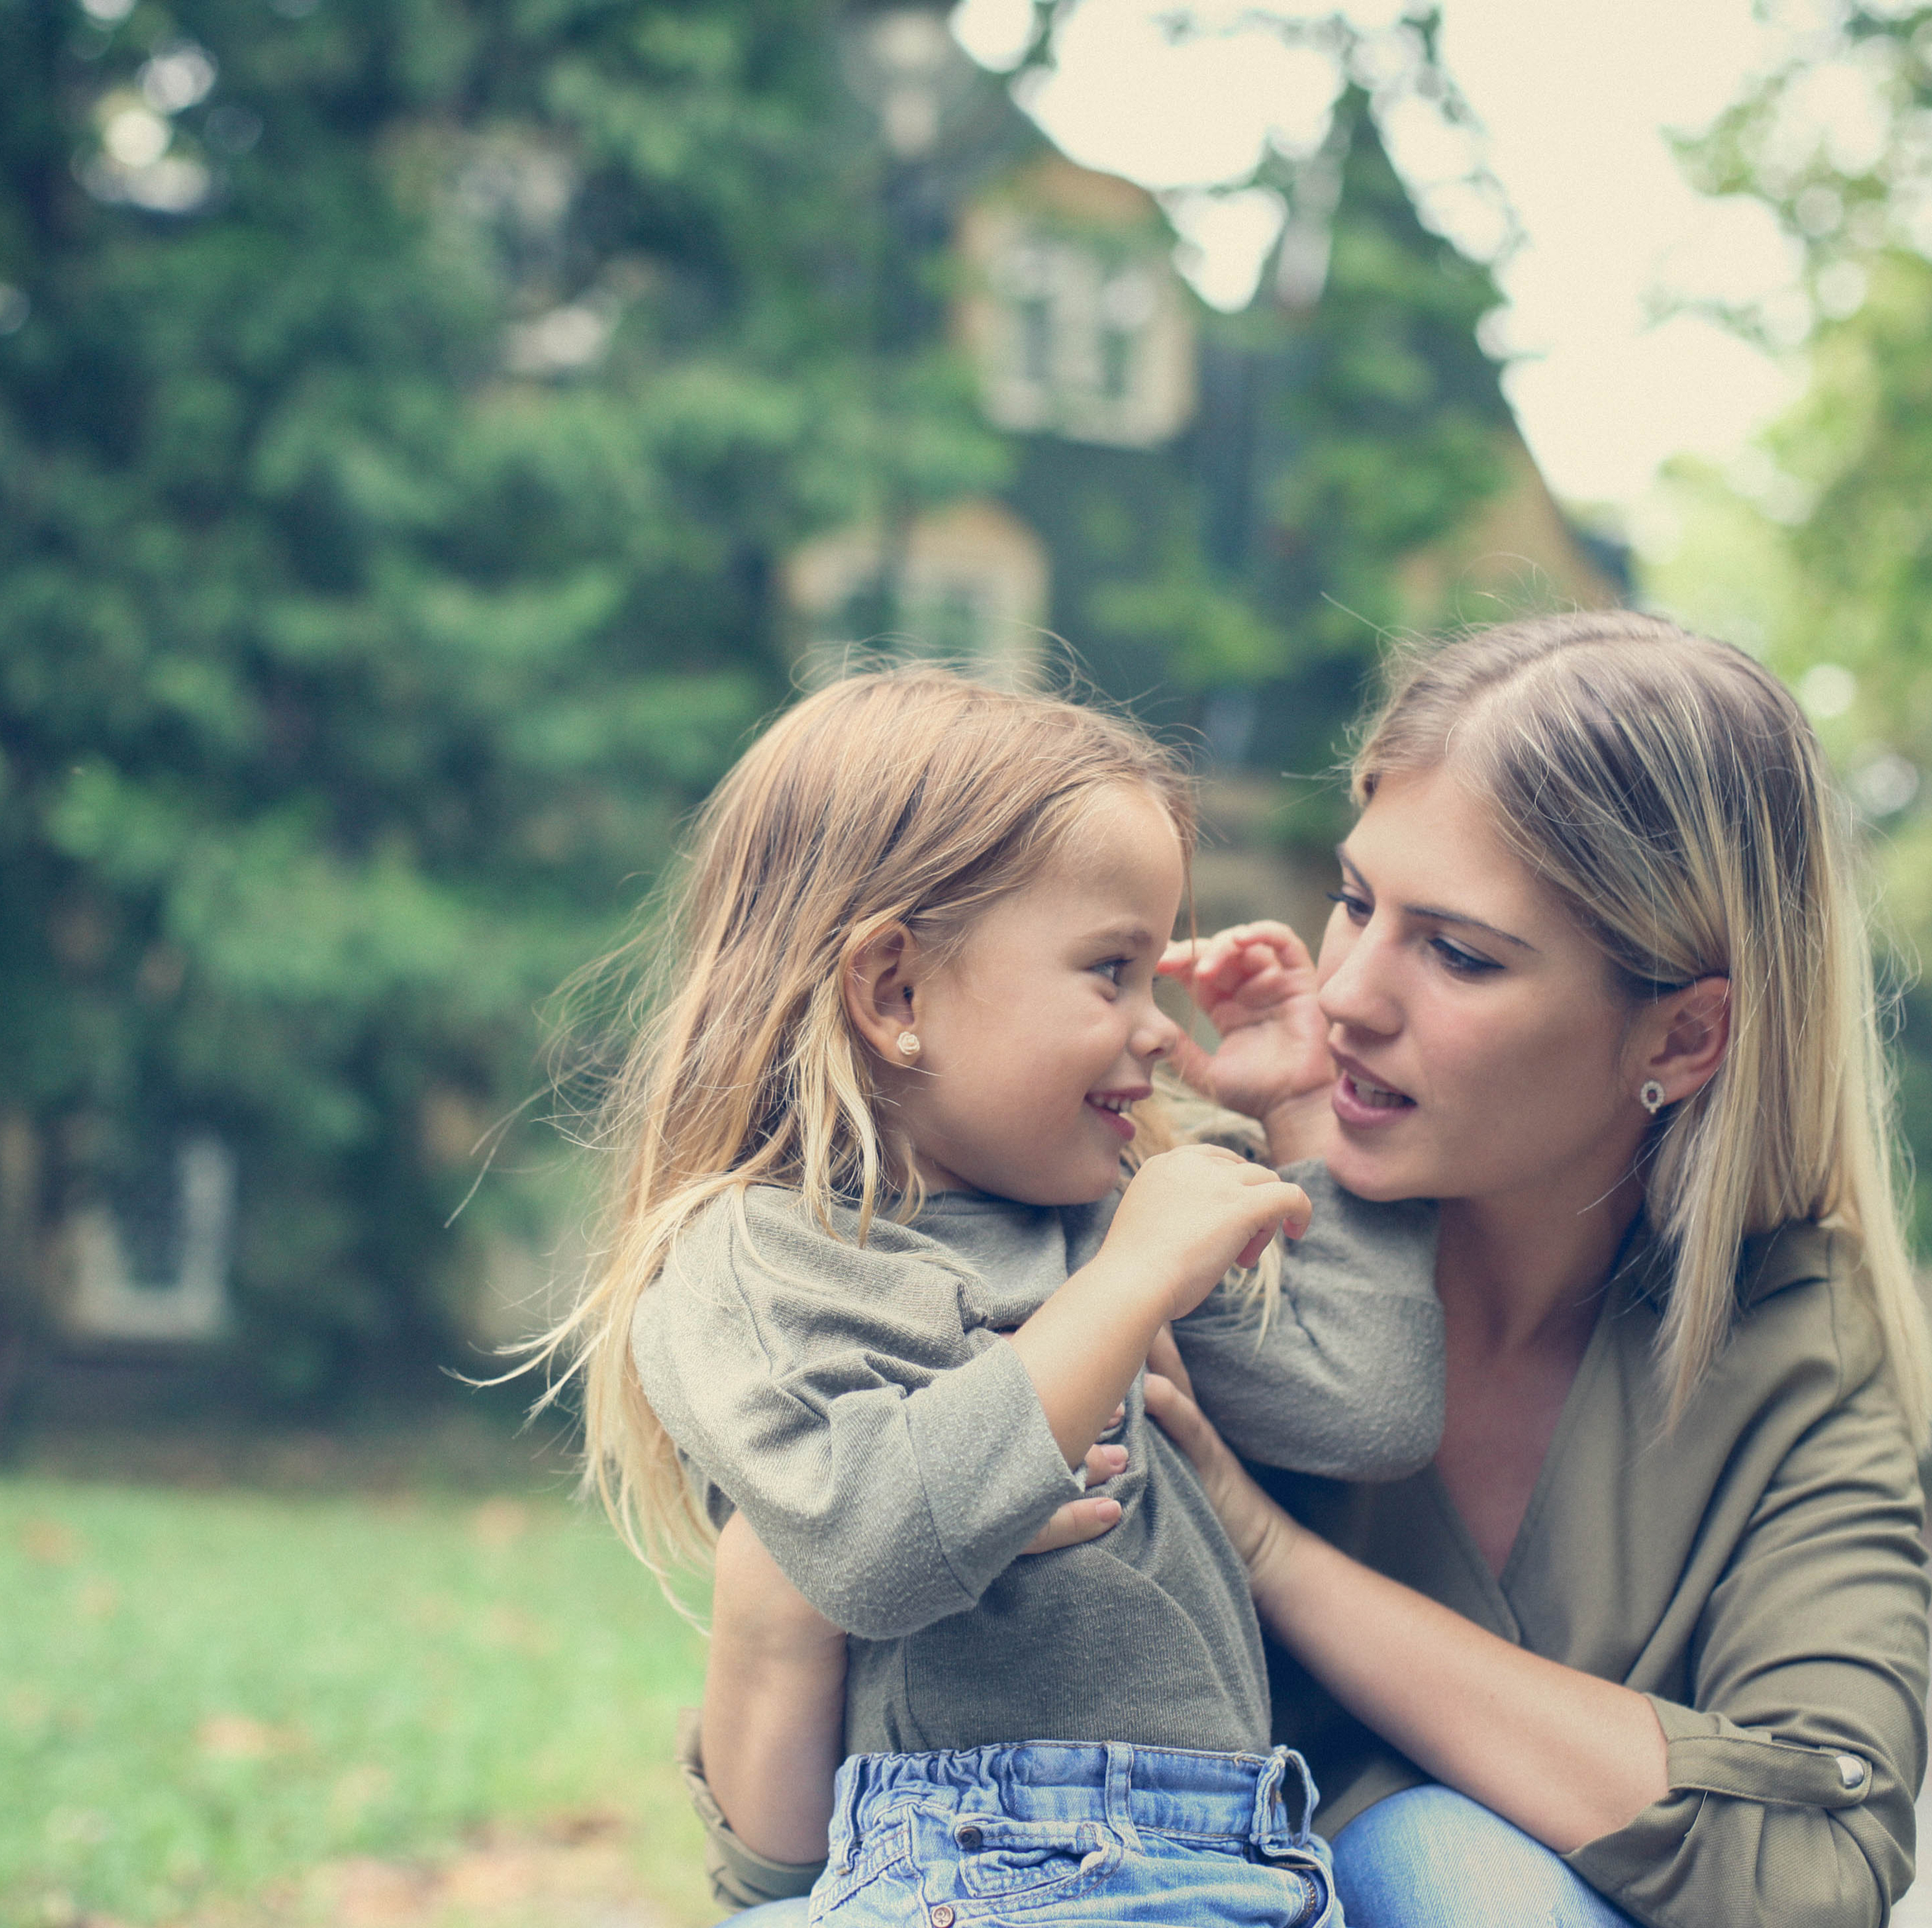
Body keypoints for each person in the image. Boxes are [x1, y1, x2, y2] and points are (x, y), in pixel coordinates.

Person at [693, 612, 1932, 1928]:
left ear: (1685, 1036)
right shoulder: (1159, 1219)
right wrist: (777, 1592)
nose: (1346, 991)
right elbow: (798, 1878)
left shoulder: (1793, 1341)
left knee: (1452, 1864)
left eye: (1458, 951)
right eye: (1355, 901)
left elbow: (1817, 1877)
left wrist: (1270, 1549)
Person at [535, 666, 1460, 1927]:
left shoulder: (1114, 1213)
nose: (1154, 1027)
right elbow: (869, 1550)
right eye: (1109, 970)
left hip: (1242, 1857)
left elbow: (1369, 1408)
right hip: (973, 1871)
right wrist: (1128, 1287)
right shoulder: (756, 1257)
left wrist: (1298, 1114)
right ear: (895, 993)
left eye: (1155, 972)